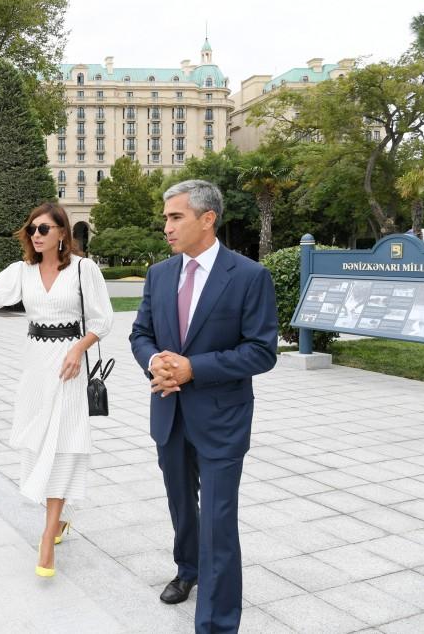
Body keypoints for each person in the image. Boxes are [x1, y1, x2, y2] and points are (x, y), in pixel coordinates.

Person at [128, 180, 278, 633]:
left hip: (222, 420)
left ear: (207, 218)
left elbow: (262, 351)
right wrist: (156, 362)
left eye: (176, 217)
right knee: (181, 505)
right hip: (169, 413)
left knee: (217, 519)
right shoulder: (159, 274)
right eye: (166, 218)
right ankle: (187, 570)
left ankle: (216, 623)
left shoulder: (249, 276)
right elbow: (140, 334)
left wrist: (195, 368)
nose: (166, 227)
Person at [0, 203, 113, 578]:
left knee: (62, 441)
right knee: (38, 442)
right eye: (32, 228)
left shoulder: (85, 269)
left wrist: (78, 350)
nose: (36, 234)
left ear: (63, 233)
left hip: (69, 365)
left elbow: (103, 320)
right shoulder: (23, 271)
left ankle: (48, 536)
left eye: (45, 229)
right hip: (35, 365)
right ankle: (60, 517)